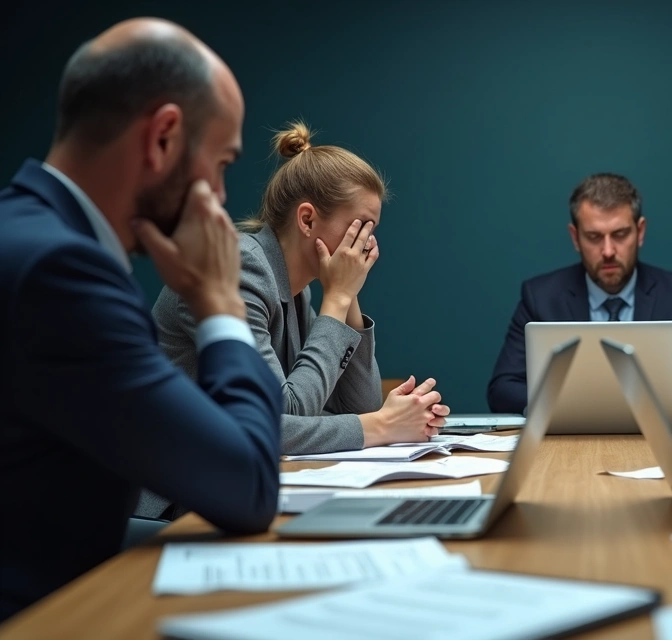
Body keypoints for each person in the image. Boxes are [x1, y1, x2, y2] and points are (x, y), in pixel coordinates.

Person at [0, 19, 282, 620]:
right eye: (224, 164)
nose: (223, 199)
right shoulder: (60, 273)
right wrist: (220, 304)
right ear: (164, 139)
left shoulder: (27, 237)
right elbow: (248, 487)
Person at [137, 122, 449, 519]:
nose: (368, 246)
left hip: (231, 485)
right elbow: (280, 415)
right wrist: (383, 426)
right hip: (176, 502)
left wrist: (346, 296)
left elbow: (360, 404)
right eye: (361, 228)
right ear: (307, 220)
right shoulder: (239, 266)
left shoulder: (295, 289)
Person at [487, 173, 672, 416]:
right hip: (569, 448)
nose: (608, 251)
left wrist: (624, 403)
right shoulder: (540, 297)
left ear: (640, 231)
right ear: (575, 237)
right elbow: (502, 390)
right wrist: (592, 406)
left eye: (620, 234)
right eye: (594, 237)